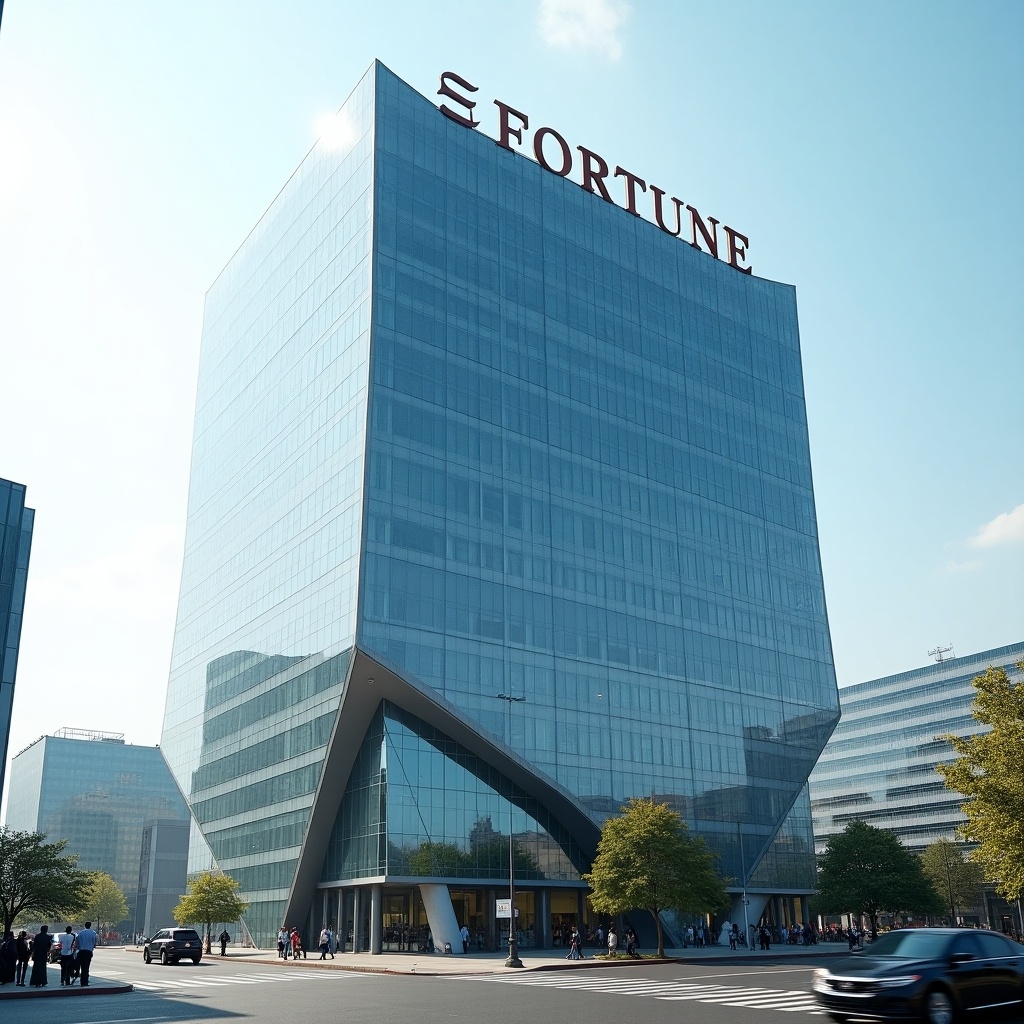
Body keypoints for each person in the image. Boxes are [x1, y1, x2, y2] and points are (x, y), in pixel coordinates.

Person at [74, 921, 97, 986]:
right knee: (86, 967)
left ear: (85, 926)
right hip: (88, 951)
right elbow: (95, 943)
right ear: (90, 926)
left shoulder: (80, 933)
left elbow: (77, 943)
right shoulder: (93, 933)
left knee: (82, 967)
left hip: (81, 951)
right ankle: (85, 982)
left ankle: (82, 981)